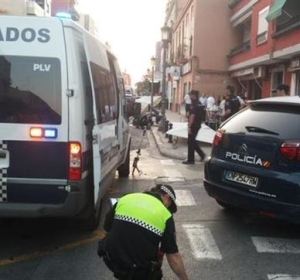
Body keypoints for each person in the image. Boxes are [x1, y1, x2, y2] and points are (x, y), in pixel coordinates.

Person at [99, 184, 189, 280]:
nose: (168, 210)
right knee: (152, 273)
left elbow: (107, 228)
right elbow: (173, 257)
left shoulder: (127, 198)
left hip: (110, 258)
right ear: (167, 197)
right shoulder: (165, 214)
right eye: (169, 206)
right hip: (137, 269)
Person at [182, 90, 206, 164]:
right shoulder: (199, 103)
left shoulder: (194, 104)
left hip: (193, 125)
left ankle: (191, 160)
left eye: (190, 95)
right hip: (198, 125)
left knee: (190, 142)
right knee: (192, 141)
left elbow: (192, 116)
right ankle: (202, 155)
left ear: (194, 95)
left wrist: (189, 126)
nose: (190, 97)